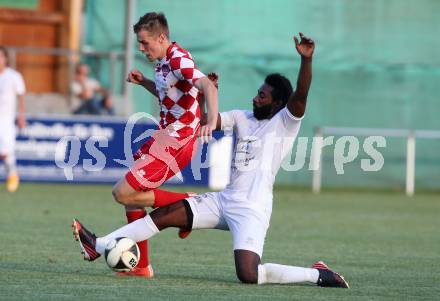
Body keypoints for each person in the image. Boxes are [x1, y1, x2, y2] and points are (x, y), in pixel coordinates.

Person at [72, 33, 348, 288]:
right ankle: (100, 244)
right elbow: (203, 123)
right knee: (165, 216)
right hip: (223, 200)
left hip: (252, 209)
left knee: (249, 274)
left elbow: (301, 94)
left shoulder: (285, 122)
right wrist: (203, 95)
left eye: (262, 95)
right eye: (257, 91)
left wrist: (306, 59)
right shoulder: (243, 117)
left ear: (277, 104)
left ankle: (318, 274)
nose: (255, 97)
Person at [77, 12, 218, 278]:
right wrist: (144, 83)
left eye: (144, 43)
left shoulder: (178, 59)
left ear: (162, 37)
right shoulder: (164, 61)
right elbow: (170, 94)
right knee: (130, 201)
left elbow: (208, 86)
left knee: (122, 192)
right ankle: (142, 266)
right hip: (164, 137)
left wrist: (209, 121)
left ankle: (189, 204)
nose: (141, 49)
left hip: (177, 141)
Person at [0, 46, 26, 193]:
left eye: (1, 56)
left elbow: (21, 95)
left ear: (6, 58)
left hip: (6, 119)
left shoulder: (13, 76)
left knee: (5, 152)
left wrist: (21, 116)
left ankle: (12, 175)